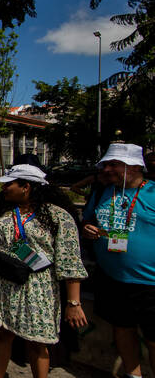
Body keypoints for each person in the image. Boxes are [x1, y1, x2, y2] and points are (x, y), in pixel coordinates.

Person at [0, 164, 88, 378]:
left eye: (9, 184)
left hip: (37, 289)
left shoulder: (58, 217)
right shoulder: (7, 211)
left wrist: (74, 302)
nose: (4, 188)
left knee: (37, 344)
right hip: (4, 284)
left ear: (26, 186)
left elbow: (70, 261)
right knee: (2, 334)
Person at [81, 143, 155, 378]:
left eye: (114, 164)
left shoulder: (152, 193)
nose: (107, 169)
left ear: (134, 166)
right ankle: (134, 376)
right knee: (122, 329)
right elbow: (88, 221)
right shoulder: (104, 192)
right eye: (106, 164)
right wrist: (88, 229)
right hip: (112, 278)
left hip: (149, 283)